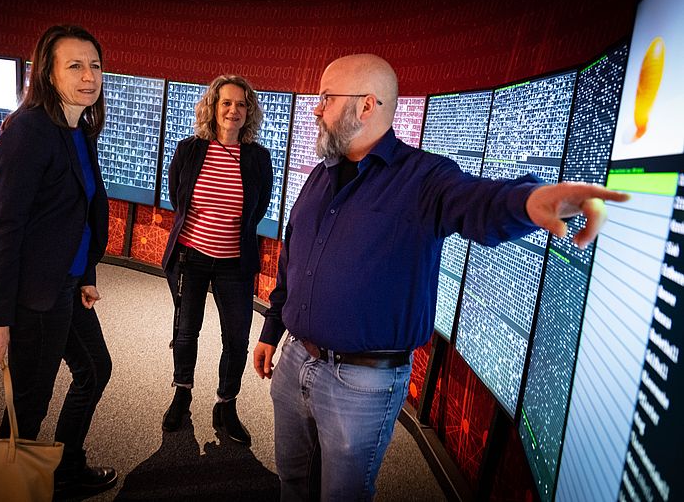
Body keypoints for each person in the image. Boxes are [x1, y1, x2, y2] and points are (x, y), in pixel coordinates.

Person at [252, 53, 629, 501]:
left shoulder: (425, 178)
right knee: (292, 483)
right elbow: (293, 259)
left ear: (367, 106)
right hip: (295, 359)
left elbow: (478, 203)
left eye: (327, 98)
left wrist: (532, 201)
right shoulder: (320, 174)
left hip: (360, 383)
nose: (316, 108)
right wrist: (272, 330)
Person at [0, 24, 117, 498]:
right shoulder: (29, 130)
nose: (88, 74)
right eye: (74, 64)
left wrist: (86, 273)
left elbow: (76, 213)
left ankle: (64, 468)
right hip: (33, 294)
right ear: (46, 73)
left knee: (95, 369)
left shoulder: (79, 128)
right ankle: (0, 489)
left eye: (94, 64)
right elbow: (4, 226)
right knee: (28, 404)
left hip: (67, 283)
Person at [161, 75, 273, 445]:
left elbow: (257, 208)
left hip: (233, 264)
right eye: (226, 103)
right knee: (186, 331)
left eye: (241, 104)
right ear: (213, 107)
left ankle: (226, 403)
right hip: (190, 256)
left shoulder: (258, 158)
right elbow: (180, 199)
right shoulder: (189, 150)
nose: (233, 110)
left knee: (237, 336)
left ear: (249, 111)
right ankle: (182, 393)